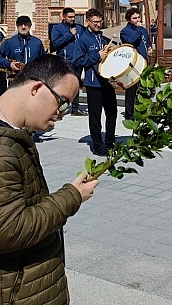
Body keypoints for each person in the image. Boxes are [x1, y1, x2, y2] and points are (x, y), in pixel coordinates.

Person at [0, 54, 99, 303]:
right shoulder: (3, 148)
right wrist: (71, 197)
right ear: (36, 88)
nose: (62, 114)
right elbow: (9, 230)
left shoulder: (15, 135)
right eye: (62, 103)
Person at [73, 8, 117, 156]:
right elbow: (78, 61)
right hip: (93, 83)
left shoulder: (102, 38)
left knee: (112, 112)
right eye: (95, 22)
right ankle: (97, 145)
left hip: (107, 82)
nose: (98, 24)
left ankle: (110, 142)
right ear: (87, 22)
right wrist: (97, 55)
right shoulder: (82, 40)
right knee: (95, 115)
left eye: (100, 21)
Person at [50, 6, 87, 116]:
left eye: (73, 17)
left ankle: (75, 108)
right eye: (70, 17)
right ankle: (59, 109)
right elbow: (55, 44)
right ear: (64, 17)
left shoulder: (80, 28)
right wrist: (69, 34)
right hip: (64, 61)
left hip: (77, 61)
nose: (72, 19)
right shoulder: (57, 29)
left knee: (75, 85)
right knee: (62, 85)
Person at [120, 7, 151, 121]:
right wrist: (137, 29)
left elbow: (147, 41)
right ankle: (129, 113)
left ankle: (142, 110)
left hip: (144, 61)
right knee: (132, 88)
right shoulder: (125, 31)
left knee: (143, 87)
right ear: (129, 19)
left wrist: (149, 48)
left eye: (138, 17)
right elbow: (131, 41)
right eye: (134, 18)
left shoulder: (143, 29)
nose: (137, 20)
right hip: (133, 63)